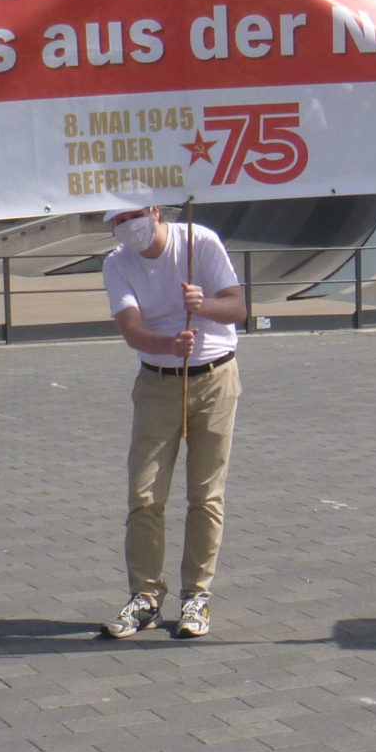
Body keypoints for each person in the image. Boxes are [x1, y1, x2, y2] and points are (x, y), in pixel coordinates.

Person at [97, 202, 246, 641]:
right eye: (117, 222)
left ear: (155, 211)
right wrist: (167, 344)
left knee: (205, 495)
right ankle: (144, 596)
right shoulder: (116, 264)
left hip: (216, 378)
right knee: (144, 495)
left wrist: (205, 305)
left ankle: (196, 596)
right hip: (158, 382)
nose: (127, 228)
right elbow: (131, 332)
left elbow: (237, 308)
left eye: (132, 217)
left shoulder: (199, 241)